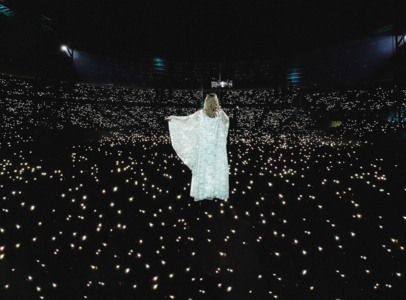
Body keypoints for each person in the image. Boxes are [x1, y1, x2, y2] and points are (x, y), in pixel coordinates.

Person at [165, 93, 229, 202]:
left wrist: (173, 118)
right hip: (216, 149)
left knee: (204, 170)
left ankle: (203, 191)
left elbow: (186, 119)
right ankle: (216, 190)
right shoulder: (221, 114)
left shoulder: (201, 114)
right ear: (216, 102)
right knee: (215, 170)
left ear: (206, 102)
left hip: (204, 148)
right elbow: (226, 122)